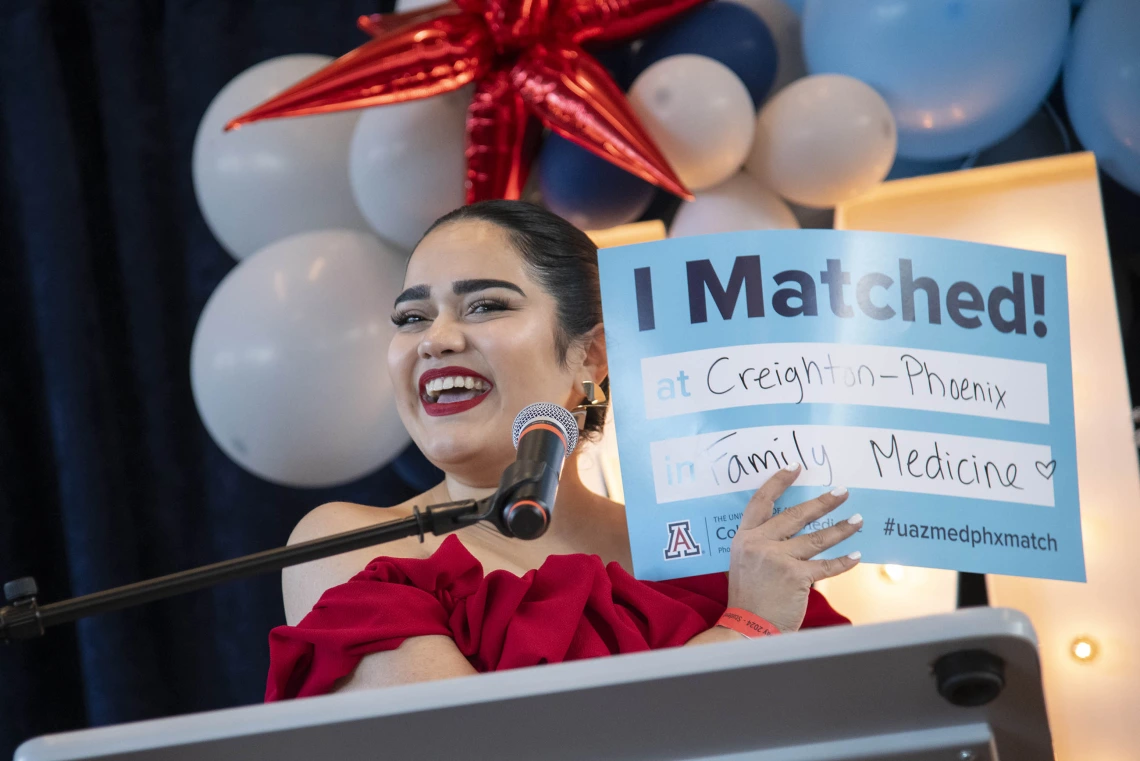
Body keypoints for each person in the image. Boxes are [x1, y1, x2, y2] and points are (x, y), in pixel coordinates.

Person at [265, 201, 862, 701]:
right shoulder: (351, 544)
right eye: (411, 316)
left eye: (486, 305)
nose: (435, 340)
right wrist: (746, 628)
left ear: (592, 355)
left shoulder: (719, 559)